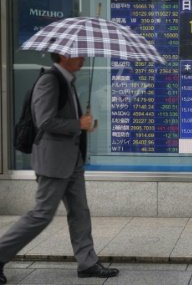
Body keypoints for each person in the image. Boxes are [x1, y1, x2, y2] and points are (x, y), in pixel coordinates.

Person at [0, 53, 119, 284]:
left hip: (72, 161)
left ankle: (88, 263)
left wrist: (84, 124)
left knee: (80, 211)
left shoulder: (67, 81)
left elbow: (64, 120)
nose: (83, 58)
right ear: (64, 56)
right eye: (79, 54)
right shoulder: (50, 80)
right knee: (41, 215)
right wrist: (78, 124)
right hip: (53, 162)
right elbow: (44, 121)